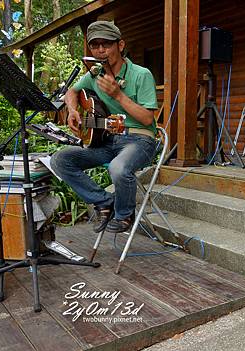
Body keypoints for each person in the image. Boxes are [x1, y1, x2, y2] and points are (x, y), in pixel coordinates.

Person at [51, 21, 158, 234]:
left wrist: (117, 95)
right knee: (61, 159)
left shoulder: (141, 74)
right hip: (108, 141)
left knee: (117, 168)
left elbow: (147, 119)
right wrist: (73, 111)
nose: (100, 50)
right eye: (95, 45)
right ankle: (105, 202)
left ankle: (125, 214)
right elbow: (71, 92)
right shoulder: (95, 76)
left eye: (106, 44)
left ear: (120, 45)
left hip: (140, 141)